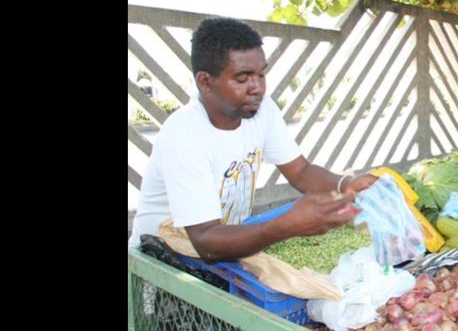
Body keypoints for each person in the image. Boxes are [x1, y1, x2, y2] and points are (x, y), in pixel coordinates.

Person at [128, 17, 378, 262]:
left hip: (220, 250)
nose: (257, 87)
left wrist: (346, 183)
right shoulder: (185, 133)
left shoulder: (261, 109)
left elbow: (300, 171)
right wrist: (286, 226)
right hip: (161, 264)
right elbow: (206, 242)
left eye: (261, 75)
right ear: (205, 82)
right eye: (243, 78)